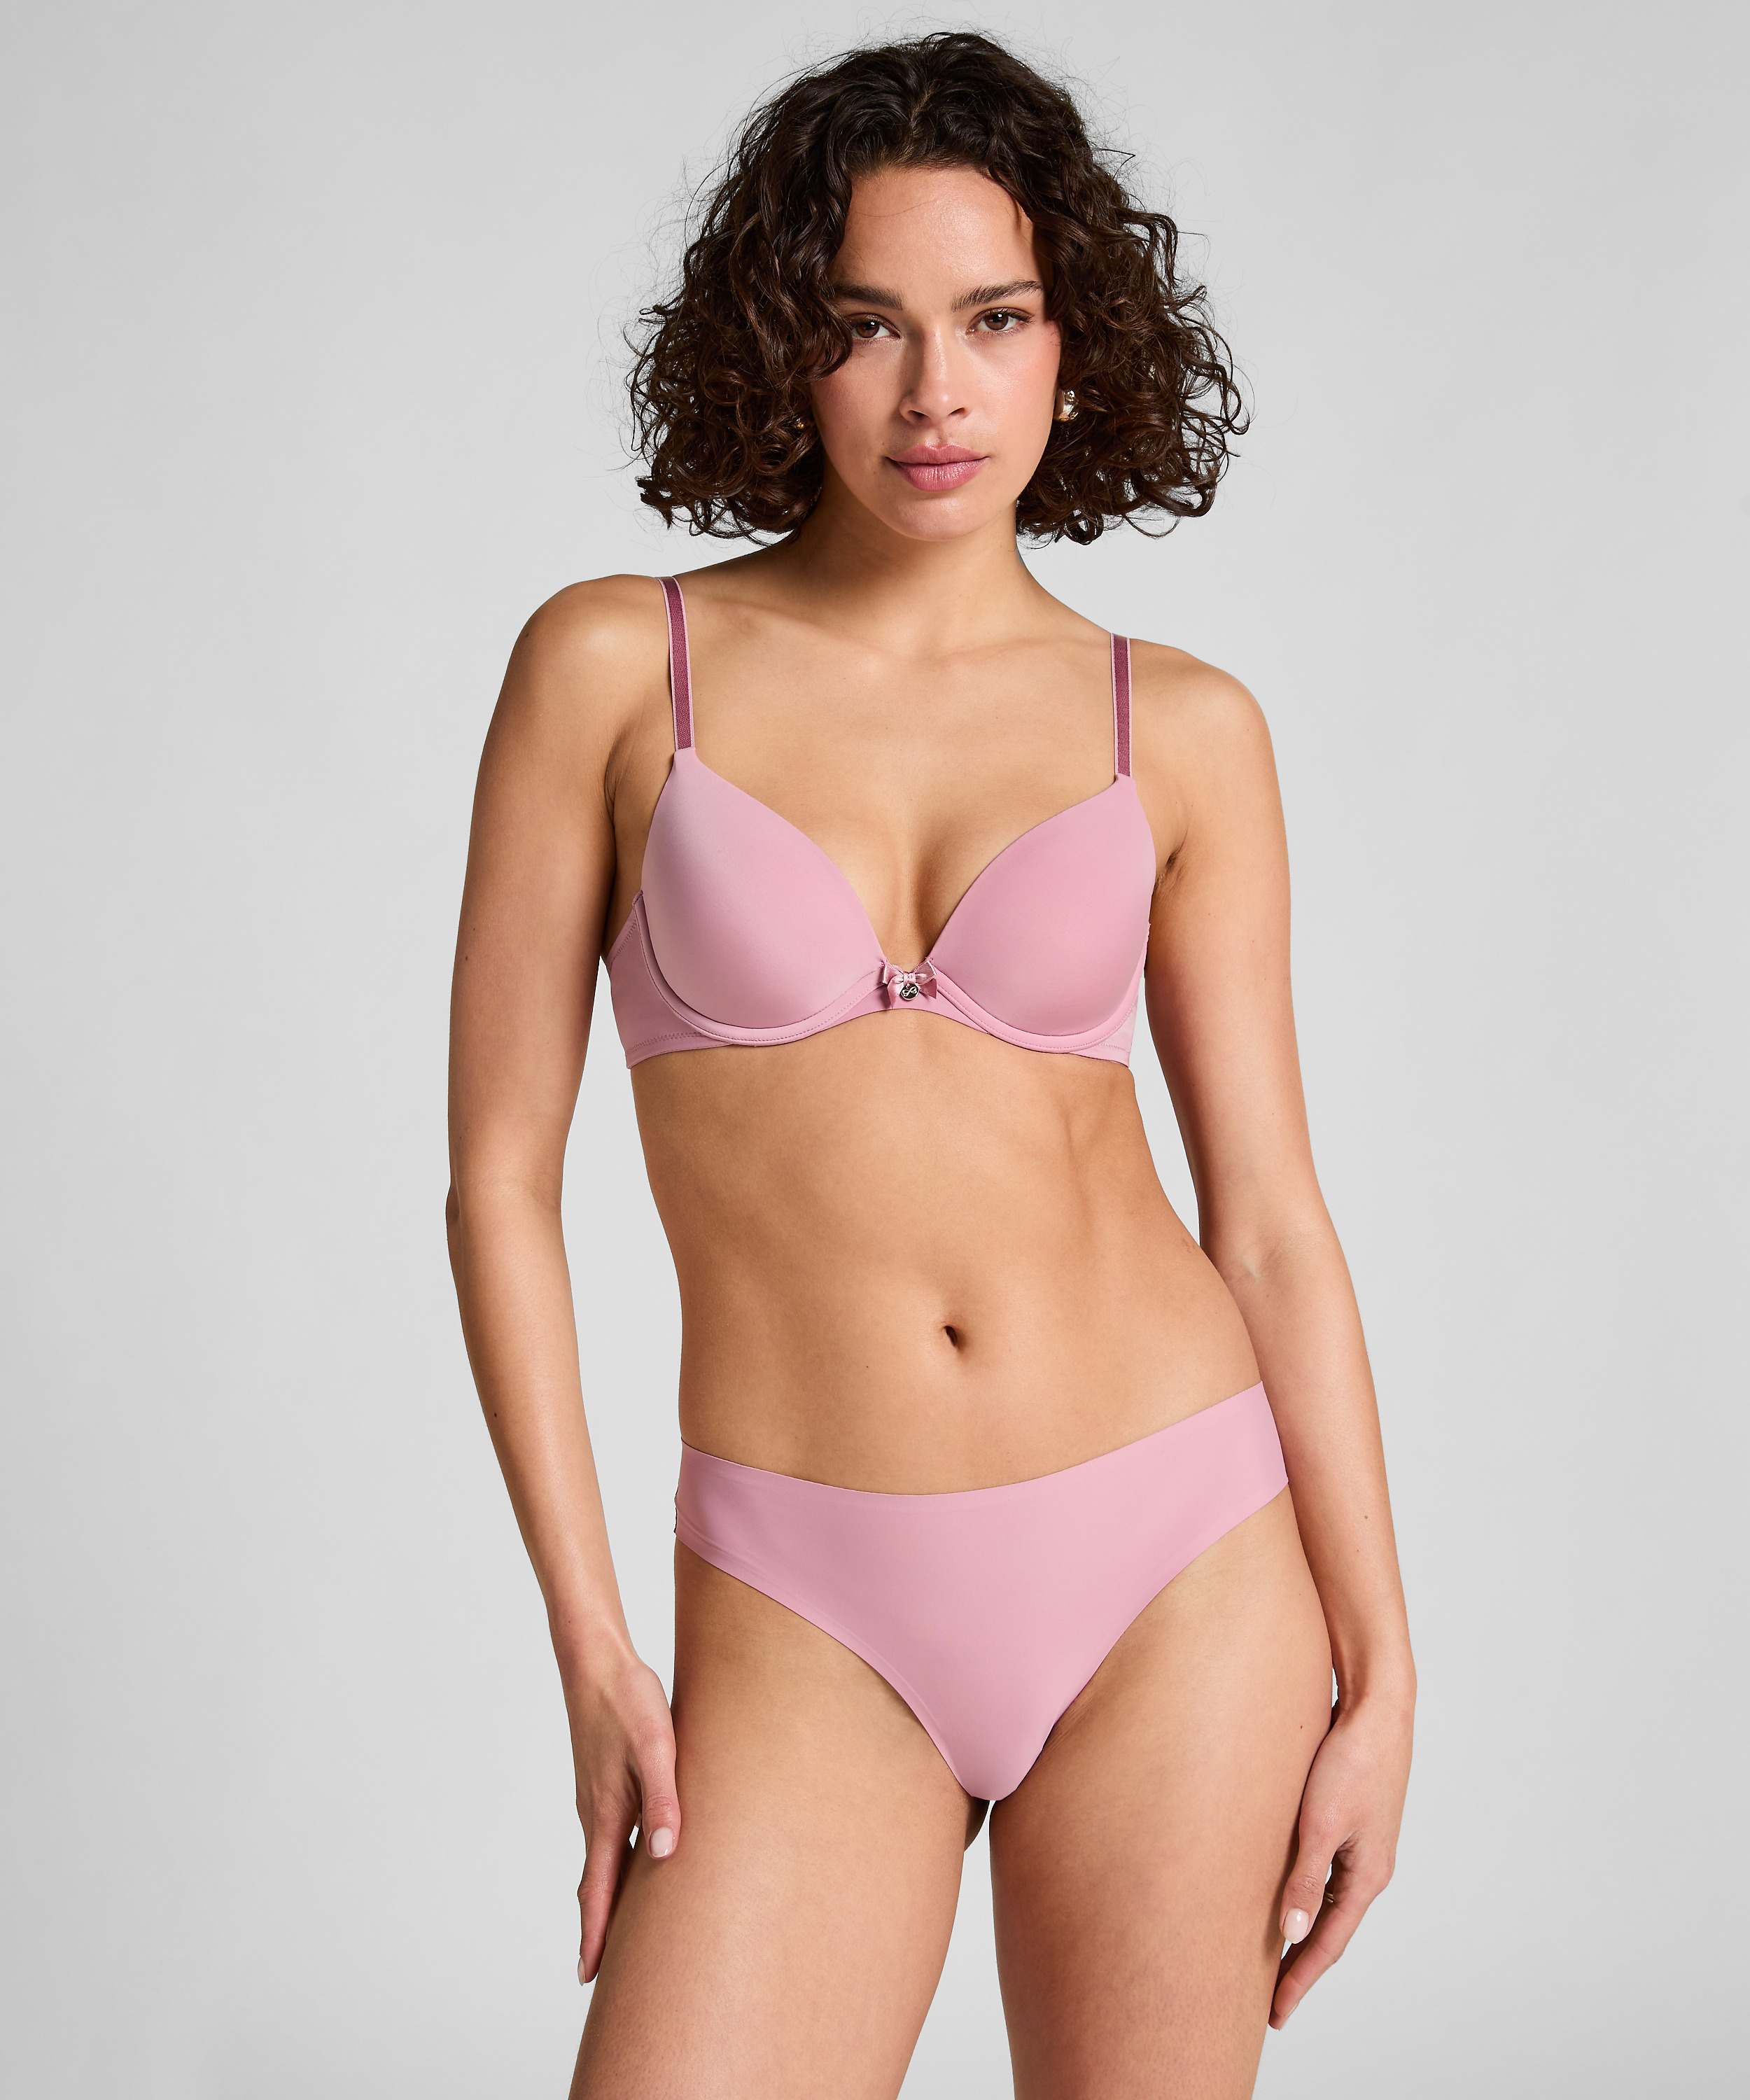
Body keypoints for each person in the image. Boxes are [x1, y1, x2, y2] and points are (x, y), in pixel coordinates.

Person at [446, 30, 1414, 2099]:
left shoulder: (1185, 728)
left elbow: (1267, 1223)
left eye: (993, 318)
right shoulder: (615, 666)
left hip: (1178, 1561)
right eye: (865, 323)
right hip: (803, 1593)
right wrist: (590, 1636)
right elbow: (498, 1185)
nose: (933, 393)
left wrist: (1386, 1667)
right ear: (779, 345)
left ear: (1077, 341)